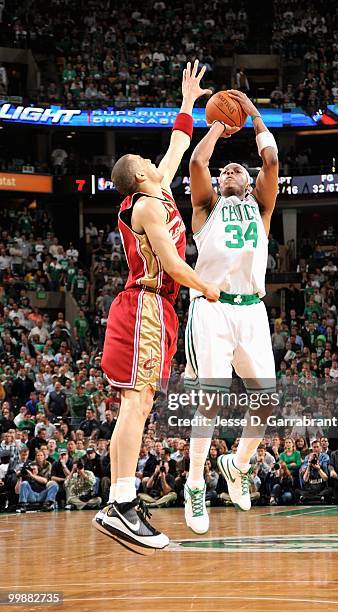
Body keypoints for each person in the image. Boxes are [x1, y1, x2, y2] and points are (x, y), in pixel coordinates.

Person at [94, 60, 219, 554]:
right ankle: (120, 504)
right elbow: (171, 264)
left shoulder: (159, 190)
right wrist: (208, 289)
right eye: (143, 160)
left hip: (155, 309)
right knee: (135, 402)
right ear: (139, 174)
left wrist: (188, 103)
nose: (152, 160)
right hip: (146, 302)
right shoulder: (145, 206)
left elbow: (177, 145)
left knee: (139, 403)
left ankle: (121, 501)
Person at [183, 89, 279, 533]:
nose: (229, 170)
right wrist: (220, 124)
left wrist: (254, 115)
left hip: (252, 311)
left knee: (266, 403)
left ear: (250, 180)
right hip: (213, 308)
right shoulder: (206, 207)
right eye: (227, 170)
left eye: (238, 167)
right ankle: (195, 485)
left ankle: (237, 465)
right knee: (211, 402)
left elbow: (272, 162)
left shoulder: (261, 208)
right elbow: (198, 165)